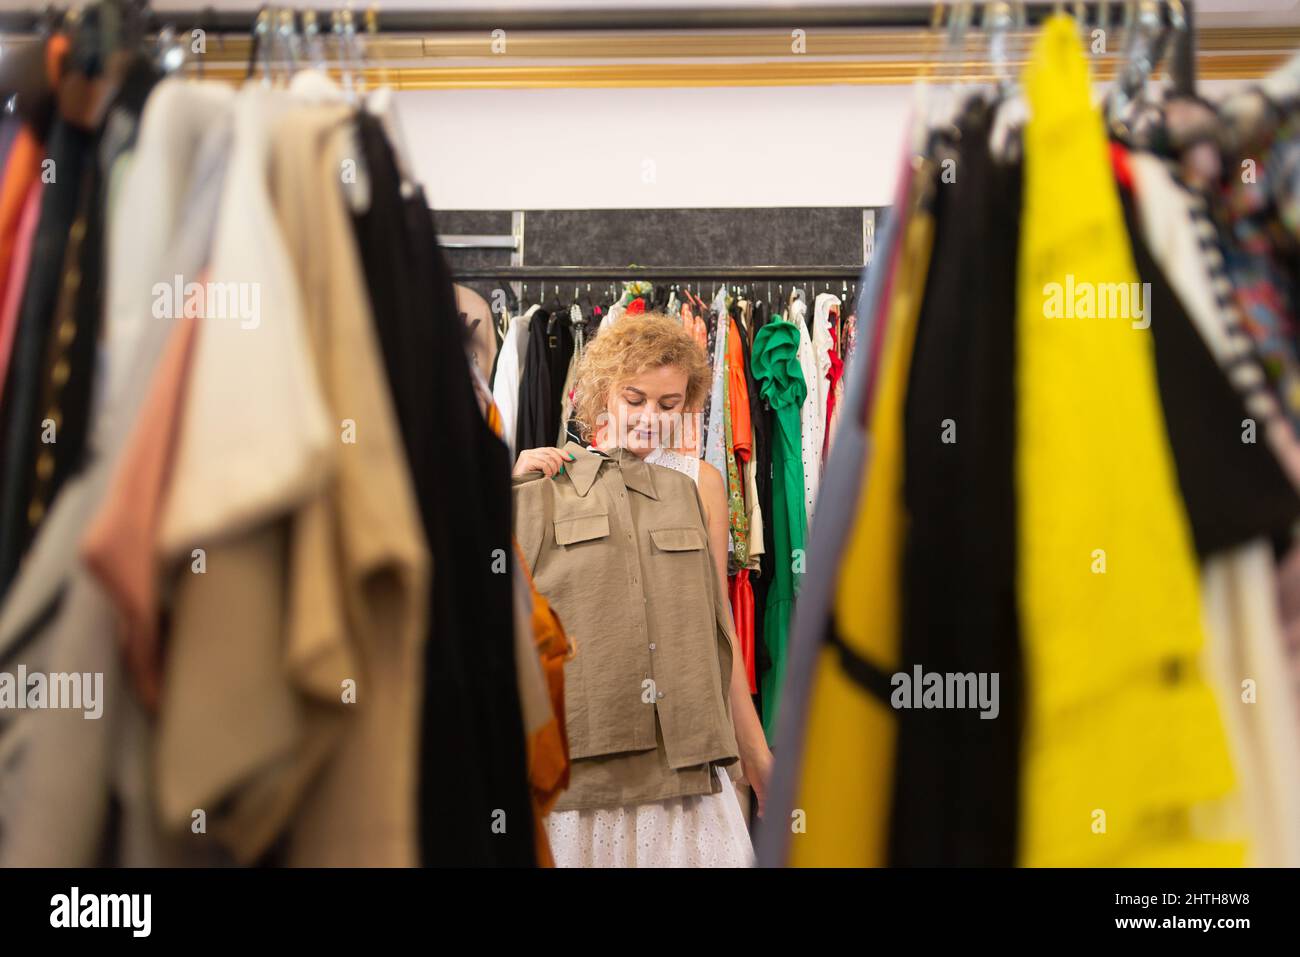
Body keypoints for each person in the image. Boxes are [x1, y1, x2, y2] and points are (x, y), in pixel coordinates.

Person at [512, 311, 773, 867]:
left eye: (668, 404)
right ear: (604, 393)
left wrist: (756, 753)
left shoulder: (697, 484)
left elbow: (716, 628)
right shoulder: (544, 485)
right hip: (584, 770)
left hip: (686, 768)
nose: (650, 418)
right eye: (635, 399)